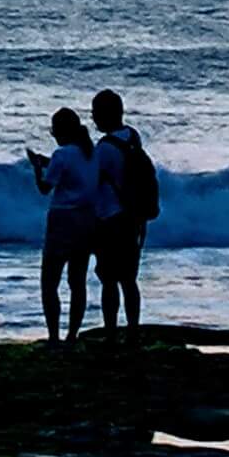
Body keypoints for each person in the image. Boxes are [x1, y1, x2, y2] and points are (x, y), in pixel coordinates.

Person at [26, 106, 112, 343]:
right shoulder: (91, 153)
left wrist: (37, 168)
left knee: (50, 282)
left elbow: (45, 188)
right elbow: (73, 171)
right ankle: (72, 335)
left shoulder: (61, 154)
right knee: (77, 282)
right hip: (87, 220)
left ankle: (54, 337)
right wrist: (47, 162)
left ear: (60, 132)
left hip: (62, 221)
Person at [89, 89, 157, 334]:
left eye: (95, 112)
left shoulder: (104, 148)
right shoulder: (132, 136)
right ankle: (133, 330)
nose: (93, 118)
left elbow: (90, 179)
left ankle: (110, 332)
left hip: (110, 218)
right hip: (135, 216)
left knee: (109, 280)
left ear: (105, 114)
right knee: (129, 280)